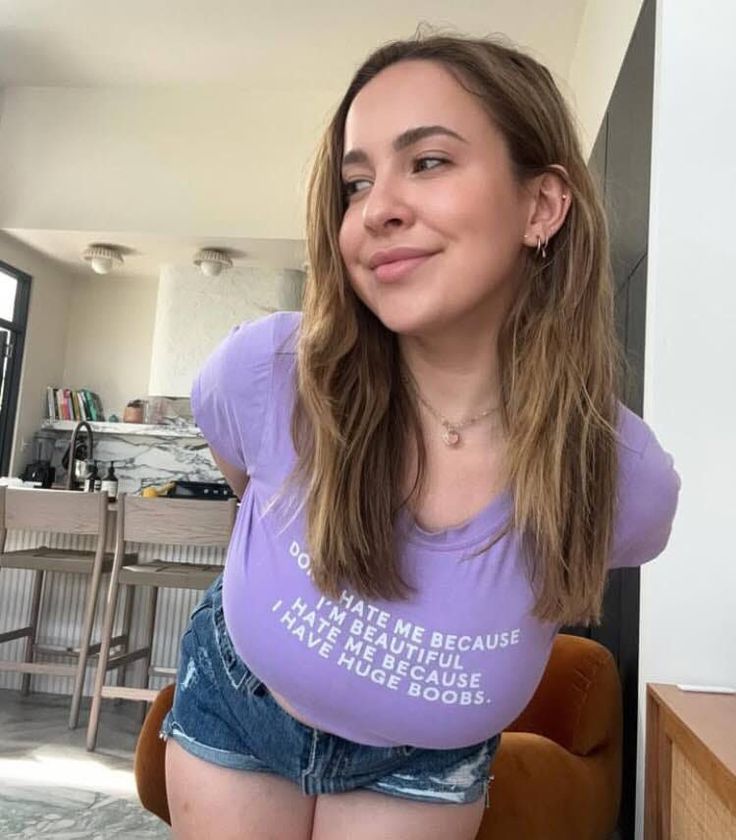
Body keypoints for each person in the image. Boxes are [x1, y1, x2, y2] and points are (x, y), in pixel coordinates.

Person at [161, 32, 680, 840]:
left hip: (424, 765)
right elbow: (246, 479)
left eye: (429, 161)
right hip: (240, 703)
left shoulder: (621, 475)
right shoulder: (267, 370)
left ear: (541, 206)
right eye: (356, 183)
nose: (376, 210)